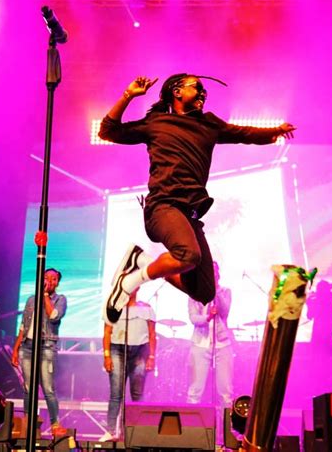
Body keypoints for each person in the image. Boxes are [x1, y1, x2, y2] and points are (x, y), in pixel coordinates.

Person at [99, 74, 296, 324]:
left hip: (190, 216)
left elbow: (244, 133)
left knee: (204, 291)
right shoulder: (156, 122)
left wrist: (276, 131)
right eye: (197, 87)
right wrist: (128, 96)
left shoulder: (209, 124)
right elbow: (107, 131)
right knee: (188, 255)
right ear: (177, 92)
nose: (203, 93)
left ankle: (141, 260)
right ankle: (128, 282)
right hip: (163, 206)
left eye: (204, 90)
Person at [11, 268, 67, 436]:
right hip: (27, 347)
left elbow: (53, 316)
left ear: (57, 283)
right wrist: (15, 349)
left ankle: (55, 424)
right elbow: (23, 326)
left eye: (53, 279)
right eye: (46, 277)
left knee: (48, 388)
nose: (49, 281)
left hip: (46, 346)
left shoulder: (60, 299)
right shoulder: (31, 300)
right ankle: (28, 423)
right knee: (29, 388)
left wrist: (45, 296)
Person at [100, 287, 156, 442]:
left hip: (140, 351)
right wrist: (106, 356)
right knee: (116, 393)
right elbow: (107, 332)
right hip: (117, 350)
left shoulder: (146, 309)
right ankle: (111, 431)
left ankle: (136, 432)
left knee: (137, 393)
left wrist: (151, 356)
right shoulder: (113, 308)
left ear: (137, 288)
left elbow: (152, 334)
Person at [187, 261, 233, 408]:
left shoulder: (225, 291)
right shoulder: (194, 294)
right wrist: (207, 317)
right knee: (195, 390)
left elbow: (224, 312)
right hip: (200, 343)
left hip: (222, 344)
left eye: (214, 272)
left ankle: (226, 422)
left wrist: (216, 290)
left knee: (225, 391)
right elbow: (193, 318)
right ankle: (192, 421)